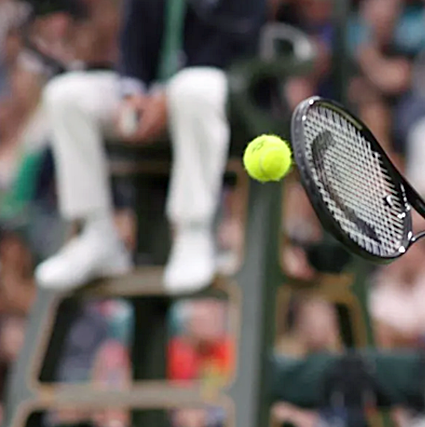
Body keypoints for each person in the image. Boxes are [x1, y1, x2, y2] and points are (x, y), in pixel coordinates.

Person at [33, 0, 266, 295]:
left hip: (223, 100)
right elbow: (134, 41)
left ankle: (193, 233)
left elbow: (234, 46)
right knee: (65, 96)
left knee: (194, 88)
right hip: (154, 98)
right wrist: (132, 93)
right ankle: (96, 232)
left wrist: (165, 98)